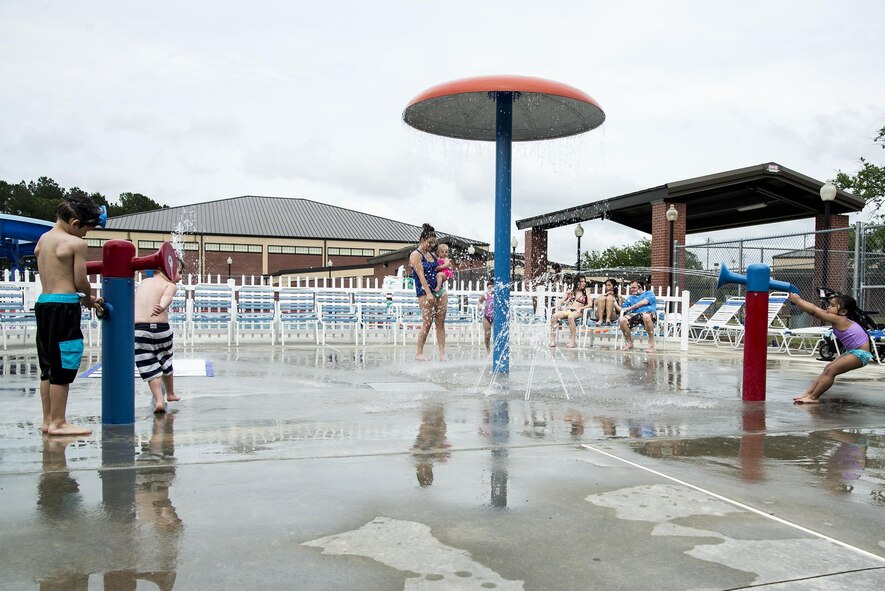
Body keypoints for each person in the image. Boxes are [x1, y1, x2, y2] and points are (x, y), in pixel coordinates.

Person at [34, 195, 106, 436]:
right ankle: (59, 422)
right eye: (87, 229)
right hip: (64, 306)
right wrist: (89, 297)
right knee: (64, 363)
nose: (87, 235)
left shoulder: (44, 240)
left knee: (48, 365)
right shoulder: (75, 244)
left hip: (44, 303)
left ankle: (48, 420)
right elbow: (79, 281)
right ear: (75, 223)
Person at [789, 292, 872, 404]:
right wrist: (799, 300)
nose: (828, 307)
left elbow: (814, 312)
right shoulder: (837, 317)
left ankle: (813, 397)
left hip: (860, 354)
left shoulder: (840, 319)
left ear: (843, 312)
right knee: (828, 368)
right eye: (830, 304)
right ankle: (809, 393)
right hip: (853, 352)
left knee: (831, 371)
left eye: (833, 306)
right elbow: (814, 308)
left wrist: (798, 301)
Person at [134, 259, 182, 413]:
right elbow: (167, 297)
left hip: (139, 330)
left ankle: (159, 401)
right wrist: (162, 306)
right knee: (166, 361)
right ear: (167, 269)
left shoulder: (143, 283)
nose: (180, 277)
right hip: (161, 329)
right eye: (179, 272)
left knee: (150, 367)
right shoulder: (170, 285)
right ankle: (170, 393)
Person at [409, 223, 447, 361]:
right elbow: (420, 275)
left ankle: (443, 354)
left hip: (439, 290)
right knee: (427, 322)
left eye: (434, 242)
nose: (432, 245)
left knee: (440, 322)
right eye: (430, 242)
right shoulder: (415, 255)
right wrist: (429, 293)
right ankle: (419, 353)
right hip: (425, 292)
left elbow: (439, 270)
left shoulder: (432, 255)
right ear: (423, 240)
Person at [615, 279, 657, 352]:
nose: (632, 289)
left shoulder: (649, 293)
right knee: (622, 320)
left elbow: (644, 302)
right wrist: (614, 303)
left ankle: (651, 343)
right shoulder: (630, 298)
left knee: (646, 316)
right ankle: (629, 343)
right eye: (631, 288)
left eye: (634, 287)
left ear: (640, 287)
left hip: (649, 314)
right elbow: (623, 309)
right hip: (636, 315)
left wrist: (631, 307)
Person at [549, 274, 589, 348]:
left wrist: (581, 308)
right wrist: (559, 304)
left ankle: (573, 341)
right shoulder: (570, 291)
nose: (583, 283)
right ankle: (552, 340)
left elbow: (590, 304)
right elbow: (562, 300)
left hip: (578, 312)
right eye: (581, 281)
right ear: (577, 282)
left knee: (570, 317)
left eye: (584, 281)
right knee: (554, 316)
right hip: (568, 310)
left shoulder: (586, 292)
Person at [477, 278, 495, 352]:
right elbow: (479, 301)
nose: (490, 289)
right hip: (487, 317)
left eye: (491, 287)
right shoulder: (485, 295)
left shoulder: (497, 295)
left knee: (497, 334)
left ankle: (497, 349)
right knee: (487, 336)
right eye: (488, 288)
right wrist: (479, 306)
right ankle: (488, 350)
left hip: (495, 317)